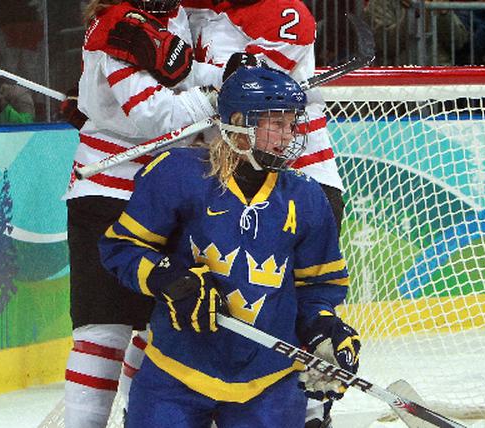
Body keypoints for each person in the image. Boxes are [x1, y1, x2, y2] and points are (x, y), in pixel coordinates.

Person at [98, 65, 360, 428]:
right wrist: (167, 278)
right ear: (238, 122)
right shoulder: (178, 173)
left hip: (268, 379)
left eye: (291, 125)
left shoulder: (307, 197)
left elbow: (318, 288)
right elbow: (121, 248)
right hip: (177, 371)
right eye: (275, 124)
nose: (287, 137)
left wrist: (323, 330)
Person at [181, 3, 348, 425]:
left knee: (296, 308)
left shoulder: (279, 10)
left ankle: (312, 411)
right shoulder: (191, 17)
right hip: (228, 184)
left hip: (297, 181)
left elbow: (248, 92)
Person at [61, 0, 225, 425]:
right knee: (103, 333)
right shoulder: (118, 25)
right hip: (107, 195)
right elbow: (157, 117)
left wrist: (232, 74)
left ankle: (142, 418)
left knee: (162, 327)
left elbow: (182, 71)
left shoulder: (175, 15)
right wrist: (220, 96)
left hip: (166, 194)